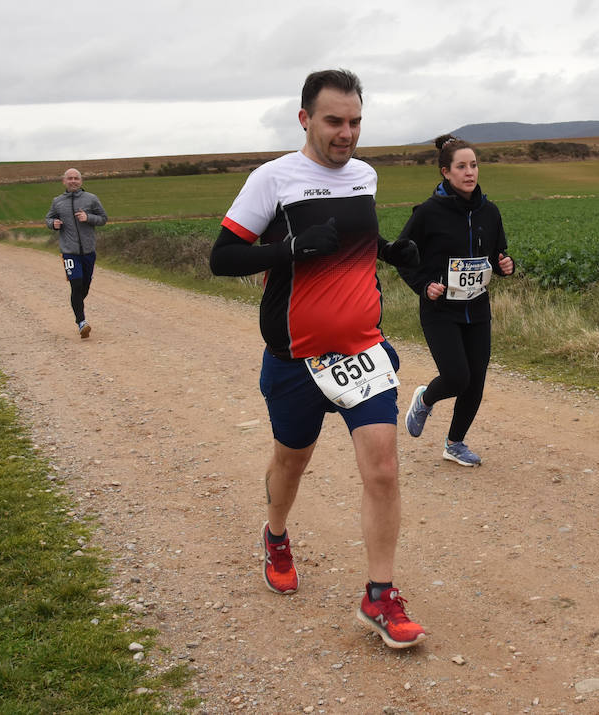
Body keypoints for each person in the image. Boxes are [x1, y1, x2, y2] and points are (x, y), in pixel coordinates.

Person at [208, 69, 425, 649]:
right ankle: (276, 534)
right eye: (334, 121)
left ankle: (380, 597)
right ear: (305, 119)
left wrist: (390, 251)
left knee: (382, 469)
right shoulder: (272, 179)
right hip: (295, 358)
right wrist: (288, 251)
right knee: (291, 464)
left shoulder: (365, 176)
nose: (346, 133)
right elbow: (223, 257)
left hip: (361, 349)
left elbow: (350, 242)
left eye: (355, 121)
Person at [397, 135, 515, 467]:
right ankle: (425, 398)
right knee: (456, 377)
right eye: (461, 167)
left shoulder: (489, 212)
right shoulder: (428, 213)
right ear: (445, 172)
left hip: (477, 309)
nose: (469, 172)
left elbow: (498, 255)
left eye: (473, 165)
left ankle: (455, 443)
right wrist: (424, 285)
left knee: (475, 380)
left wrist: (507, 265)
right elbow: (403, 255)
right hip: (440, 311)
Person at [46, 168, 108, 338]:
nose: (73, 181)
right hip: (69, 252)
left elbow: (103, 219)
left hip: (88, 251)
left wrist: (88, 217)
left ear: (81, 181)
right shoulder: (57, 201)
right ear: (63, 181)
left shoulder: (91, 199)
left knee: (84, 287)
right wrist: (54, 224)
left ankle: (78, 309)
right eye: (69, 178)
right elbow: (48, 219)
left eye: (76, 178)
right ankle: (81, 322)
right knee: (76, 284)